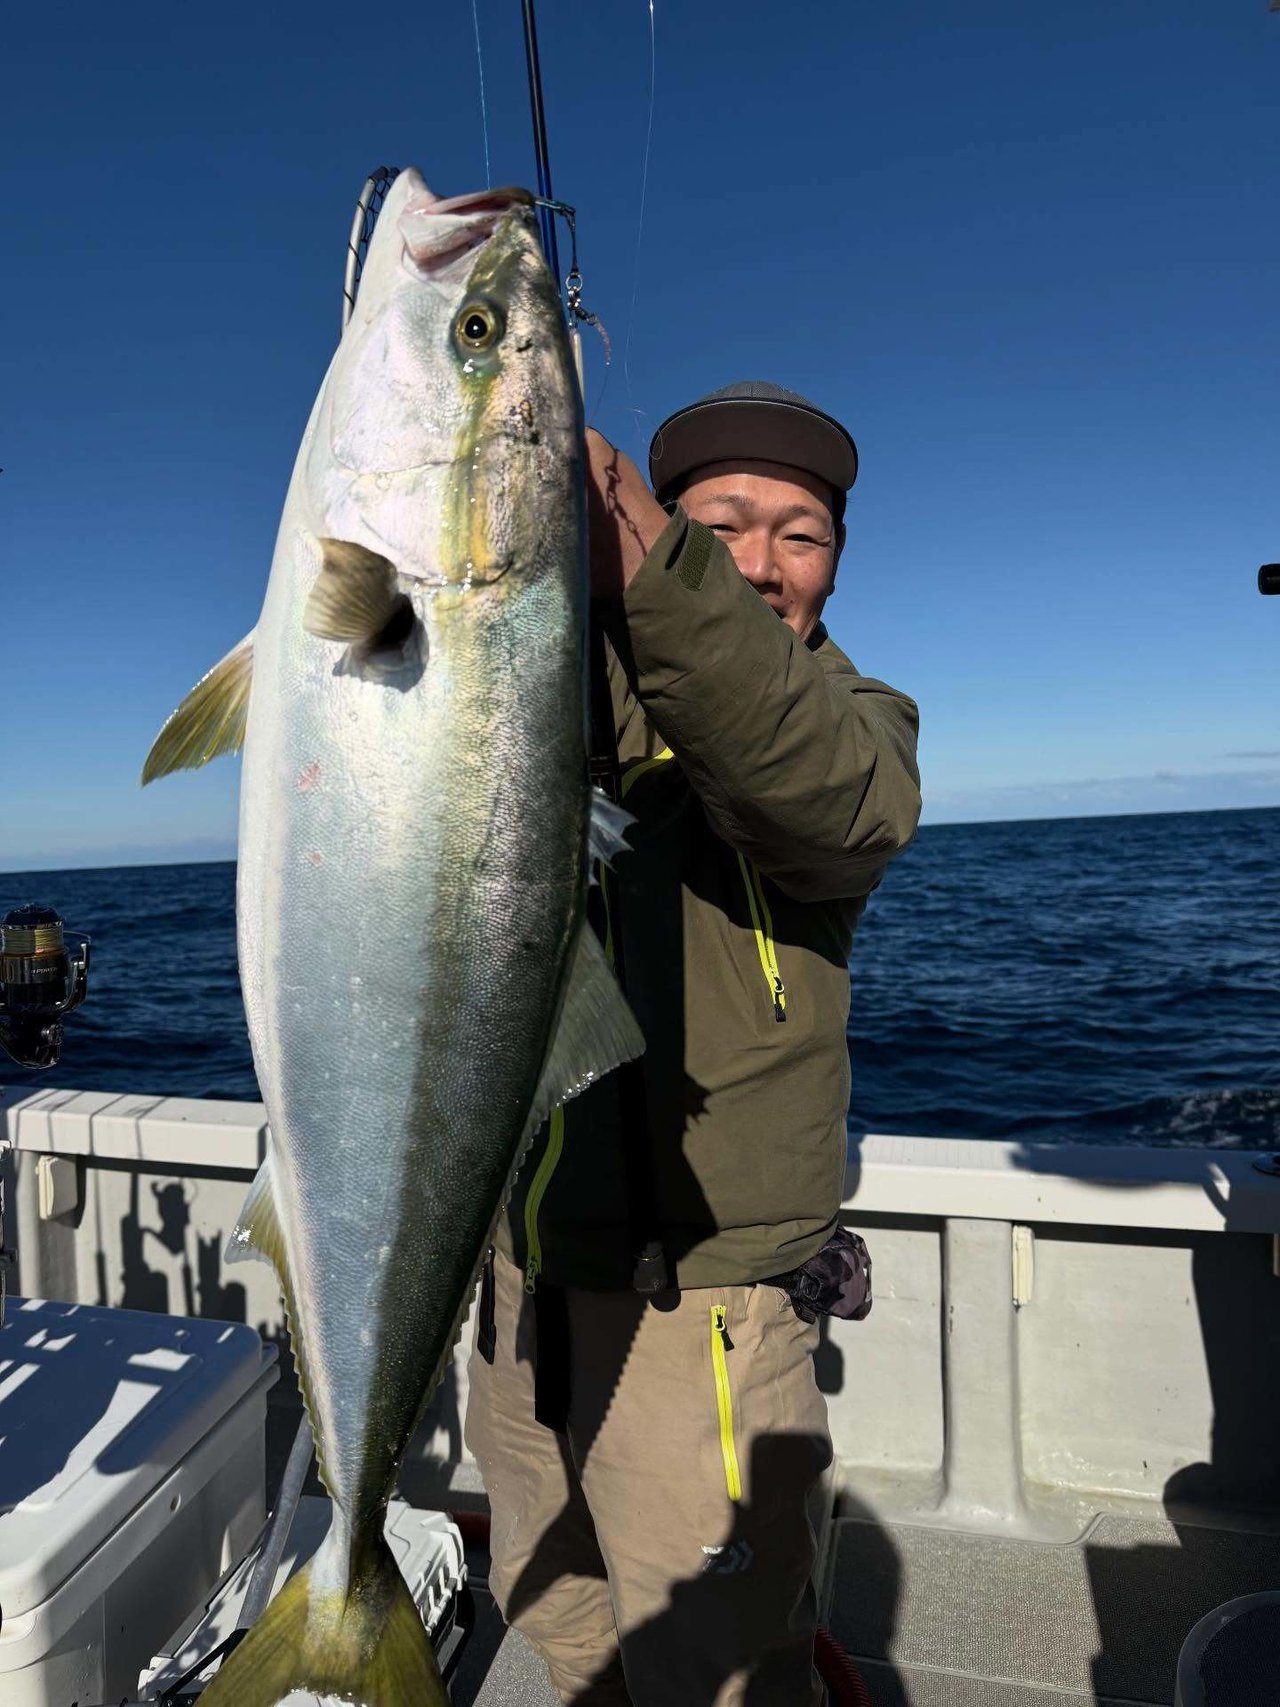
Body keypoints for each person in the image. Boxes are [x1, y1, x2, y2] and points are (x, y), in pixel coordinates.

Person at [465, 381, 921, 1706]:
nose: (763, 565)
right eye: (720, 527)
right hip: (517, 1278)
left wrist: (656, 569)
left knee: (719, 1673)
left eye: (801, 534)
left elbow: (820, 794)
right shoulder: (559, 695)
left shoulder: (858, 724)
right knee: (556, 1614)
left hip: (699, 1310)